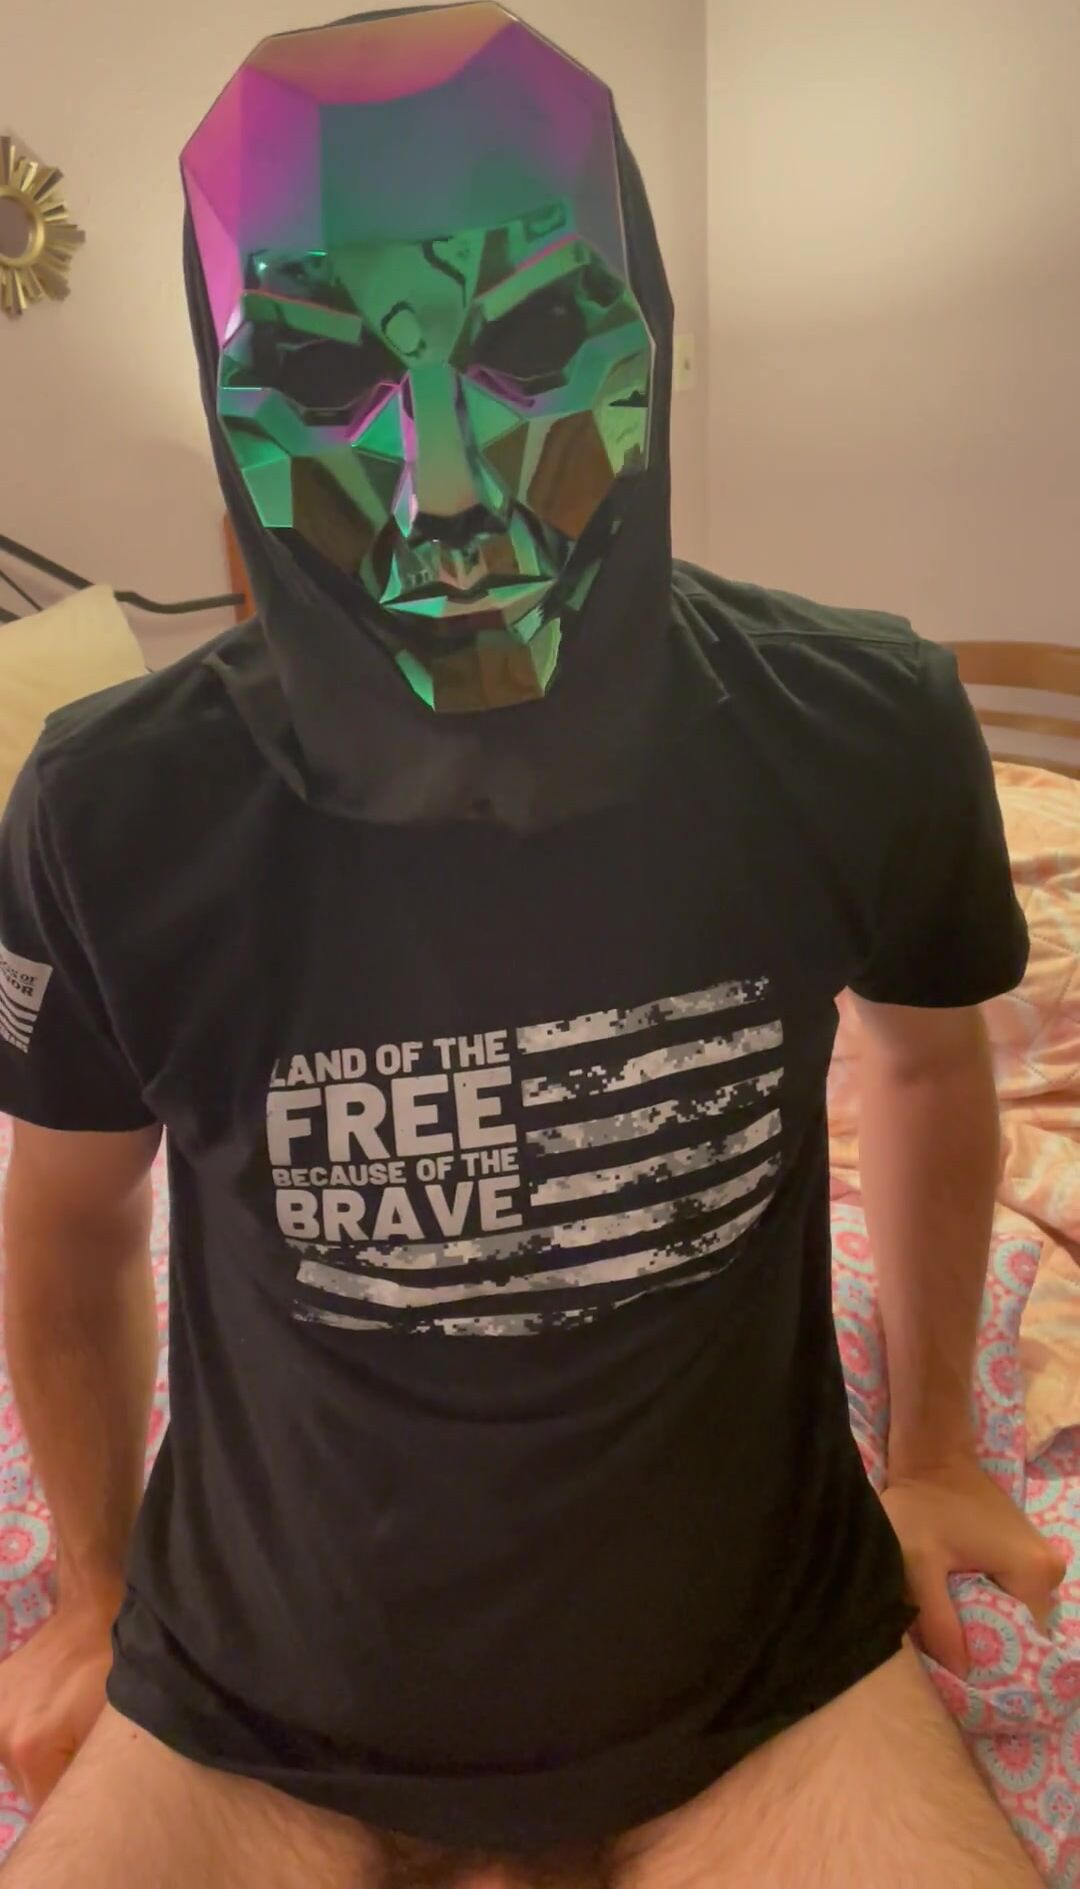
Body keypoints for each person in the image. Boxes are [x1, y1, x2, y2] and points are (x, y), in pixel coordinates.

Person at [0, 7, 1066, 1886]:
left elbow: (923, 1060)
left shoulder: (861, 722)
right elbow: (71, 1217)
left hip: (771, 1685)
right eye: (327, 380)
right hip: (244, 1707)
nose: (449, 493)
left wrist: (934, 1454)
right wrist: (94, 1589)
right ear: (229, 411)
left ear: (645, 330)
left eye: (528, 349)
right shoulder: (109, 809)